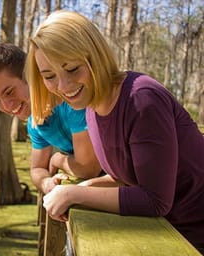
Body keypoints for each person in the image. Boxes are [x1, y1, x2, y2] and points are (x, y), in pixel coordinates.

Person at [25, 10, 204, 252]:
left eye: (73, 69)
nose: (63, 86)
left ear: (95, 55)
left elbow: (155, 200)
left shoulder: (140, 98)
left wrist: (73, 195)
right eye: (49, 76)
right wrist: (82, 188)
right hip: (165, 233)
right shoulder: (91, 109)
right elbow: (126, 177)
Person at [0, 43, 101, 194]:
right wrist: (46, 182)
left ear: (31, 76)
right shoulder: (35, 123)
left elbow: (88, 168)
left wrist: (57, 159)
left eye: (9, 92)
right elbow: (37, 168)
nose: (6, 106)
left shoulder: (72, 102)